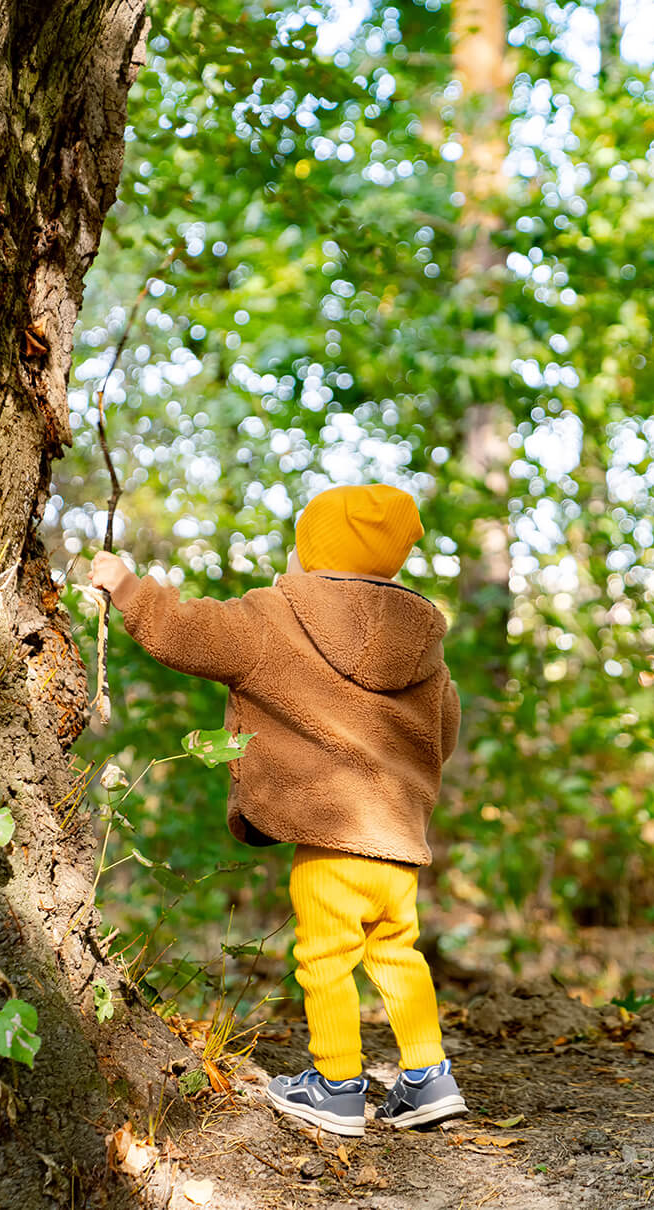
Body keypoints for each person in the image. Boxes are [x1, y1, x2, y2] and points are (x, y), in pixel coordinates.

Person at [90, 483, 467, 1136]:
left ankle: (338, 1086)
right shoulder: (423, 644)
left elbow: (190, 634)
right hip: (397, 841)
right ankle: (427, 1079)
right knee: (398, 953)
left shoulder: (276, 615)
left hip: (329, 840)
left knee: (326, 958)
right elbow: (446, 727)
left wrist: (129, 589)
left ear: (314, 552)